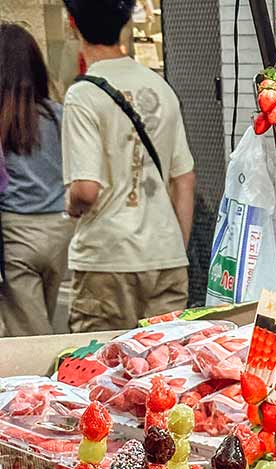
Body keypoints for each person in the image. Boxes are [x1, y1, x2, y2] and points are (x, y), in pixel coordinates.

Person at [61, 0, 196, 332]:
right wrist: (174, 244)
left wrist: (71, 205)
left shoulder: (83, 95)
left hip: (106, 259)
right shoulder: (161, 89)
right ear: (124, 22)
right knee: (166, 367)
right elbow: (185, 179)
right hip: (166, 257)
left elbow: (86, 190)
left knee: (98, 369)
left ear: (72, 23)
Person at [0, 25, 73, 337]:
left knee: (29, 334)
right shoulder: (60, 114)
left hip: (16, 233)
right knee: (54, 326)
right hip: (63, 231)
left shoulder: (3, 122)